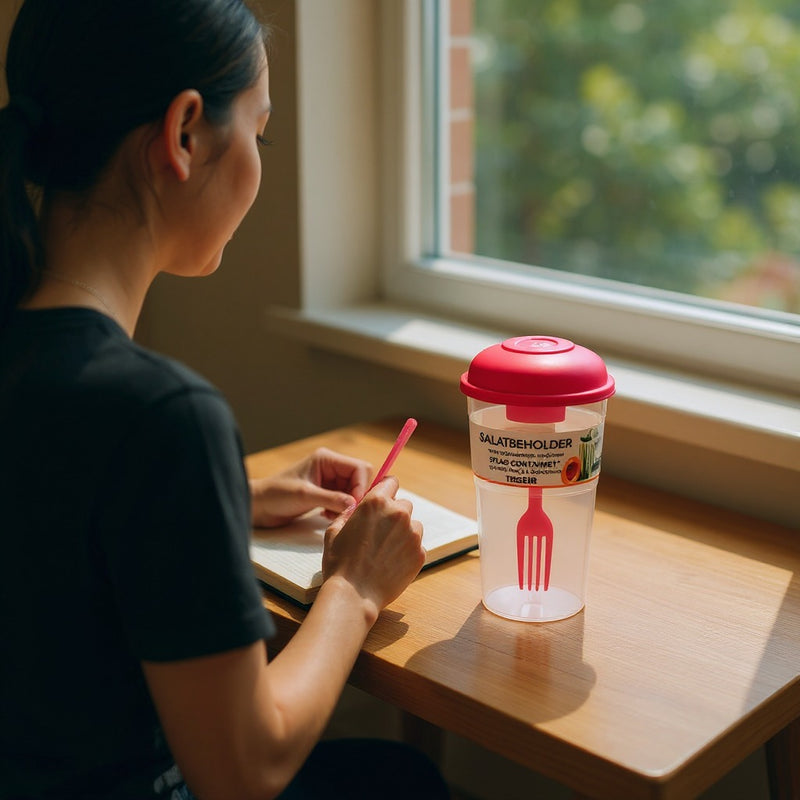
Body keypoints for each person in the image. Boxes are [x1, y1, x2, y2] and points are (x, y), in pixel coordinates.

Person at [0, 2, 450, 798]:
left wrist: (224, 501)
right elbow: (244, 768)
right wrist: (357, 586)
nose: (260, 160)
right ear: (182, 134)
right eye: (260, 131)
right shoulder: (159, 414)